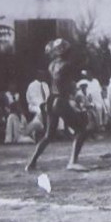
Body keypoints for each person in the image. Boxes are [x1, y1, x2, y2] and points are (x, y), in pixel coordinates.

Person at [25, 38, 91, 172]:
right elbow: (71, 82)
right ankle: (72, 162)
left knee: (48, 135)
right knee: (81, 129)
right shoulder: (67, 65)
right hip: (60, 101)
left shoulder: (52, 65)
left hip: (50, 100)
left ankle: (31, 163)